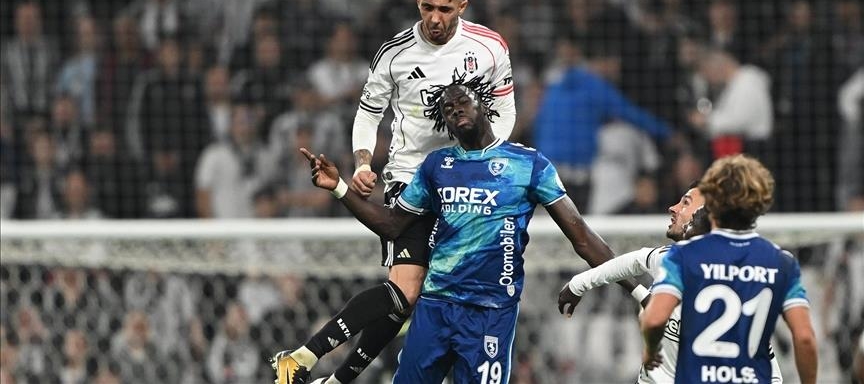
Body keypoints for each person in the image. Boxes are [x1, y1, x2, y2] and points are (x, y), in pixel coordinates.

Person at [274, 0, 517, 384]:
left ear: (462, 5)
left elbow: (505, 111)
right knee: (407, 288)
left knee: (415, 298)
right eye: (427, 7)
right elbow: (368, 114)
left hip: (466, 184)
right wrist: (363, 163)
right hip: (412, 179)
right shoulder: (394, 53)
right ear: (417, 0)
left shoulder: (490, 47)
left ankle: (331, 378)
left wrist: (483, 159)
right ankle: (301, 357)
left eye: (444, 9)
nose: (435, 18)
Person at [297, 80, 630, 383]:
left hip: (490, 311)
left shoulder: (528, 164)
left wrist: (638, 290)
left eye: (463, 102)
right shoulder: (437, 166)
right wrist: (339, 187)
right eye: (448, 109)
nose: (456, 110)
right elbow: (391, 224)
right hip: (436, 306)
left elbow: (582, 237)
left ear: (483, 105)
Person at [558, 185, 784, 383]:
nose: (673, 208)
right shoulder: (669, 259)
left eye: (685, 203)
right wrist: (579, 284)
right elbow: (634, 261)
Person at [640, 155, 818, 384]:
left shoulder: (684, 256)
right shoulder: (782, 262)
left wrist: (651, 350)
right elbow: (804, 338)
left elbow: (654, 320)